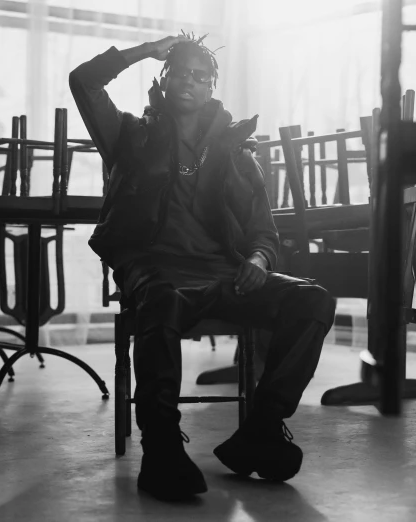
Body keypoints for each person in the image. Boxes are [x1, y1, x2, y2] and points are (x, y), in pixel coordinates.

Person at [69, 33, 336, 502]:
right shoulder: (129, 136)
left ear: (212, 87)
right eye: (180, 72)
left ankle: (263, 427)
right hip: (156, 271)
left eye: (201, 76)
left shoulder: (238, 154)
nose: (189, 82)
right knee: (161, 299)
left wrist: (258, 259)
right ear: (164, 78)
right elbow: (83, 81)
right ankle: (162, 446)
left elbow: (263, 234)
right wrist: (143, 50)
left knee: (311, 299)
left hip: (224, 275)